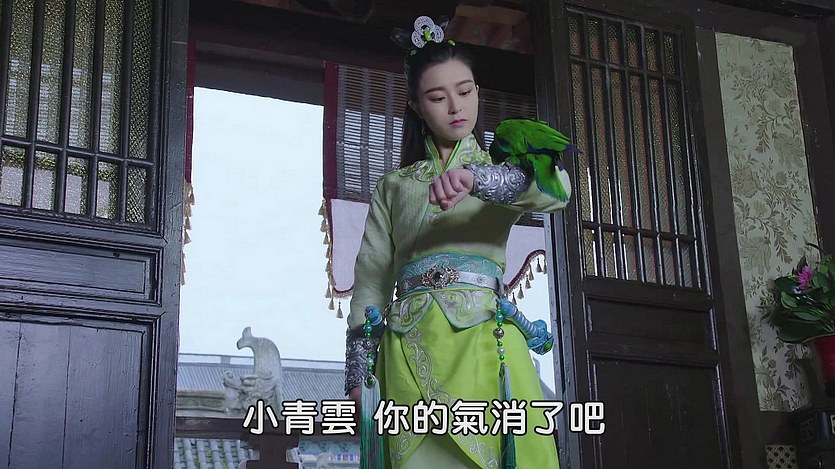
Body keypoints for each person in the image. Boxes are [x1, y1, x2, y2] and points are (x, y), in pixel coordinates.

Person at [343, 16, 572, 469]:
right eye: (437, 97)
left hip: (485, 340)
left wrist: (477, 179)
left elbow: (558, 190)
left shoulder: (500, 170)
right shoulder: (394, 186)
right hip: (406, 346)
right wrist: (356, 372)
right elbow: (371, 281)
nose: (455, 107)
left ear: (477, 92)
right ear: (416, 106)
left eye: (465, 91)